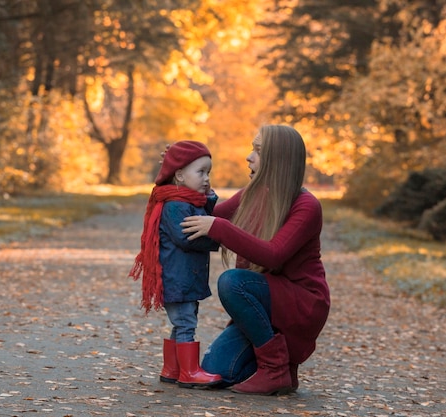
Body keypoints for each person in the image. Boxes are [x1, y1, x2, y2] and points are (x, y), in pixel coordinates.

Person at [180, 125, 330, 395]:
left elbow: (273, 254)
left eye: (258, 151)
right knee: (217, 370)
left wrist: (219, 227)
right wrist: (177, 174)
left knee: (232, 282)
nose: (249, 157)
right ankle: (283, 368)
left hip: (301, 303)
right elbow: (210, 213)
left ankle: (275, 370)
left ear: (277, 159)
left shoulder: (306, 206)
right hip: (268, 302)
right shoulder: (254, 192)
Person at [129, 140, 223, 388]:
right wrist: (219, 238)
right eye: (200, 172)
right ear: (179, 175)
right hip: (177, 278)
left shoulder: (189, 201)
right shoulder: (175, 205)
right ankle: (189, 372)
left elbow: (205, 215)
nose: (206, 178)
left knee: (183, 321)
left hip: (186, 277)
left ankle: (172, 369)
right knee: (186, 324)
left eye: (208, 172)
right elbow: (188, 236)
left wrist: (210, 198)